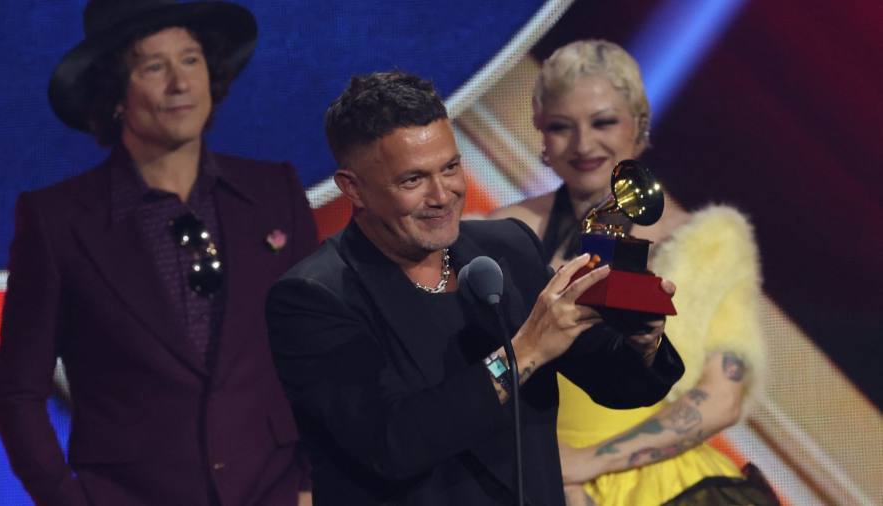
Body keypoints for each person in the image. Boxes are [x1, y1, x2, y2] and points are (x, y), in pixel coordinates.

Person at [265, 70, 685, 506]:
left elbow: (619, 384)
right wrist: (525, 352)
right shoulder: (312, 298)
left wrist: (643, 341)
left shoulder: (507, 248)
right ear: (354, 189)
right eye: (413, 180)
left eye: (450, 168)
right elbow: (392, 445)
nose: (442, 194)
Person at [0, 2, 316, 505]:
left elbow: (317, 354)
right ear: (115, 94)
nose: (180, 83)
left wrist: (311, 483)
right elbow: (18, 393)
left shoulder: (275, 192)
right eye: (153, 67)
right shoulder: (57, 222)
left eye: (190, 60)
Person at [490, 40, 768, 505]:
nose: (583, 145)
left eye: (603, 122)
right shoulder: (493, 234)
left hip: (667, 490)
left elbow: (722, 398)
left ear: (638, 125)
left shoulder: (709, 243)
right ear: (541, 132)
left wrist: (584, 463)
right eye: (562, 126)